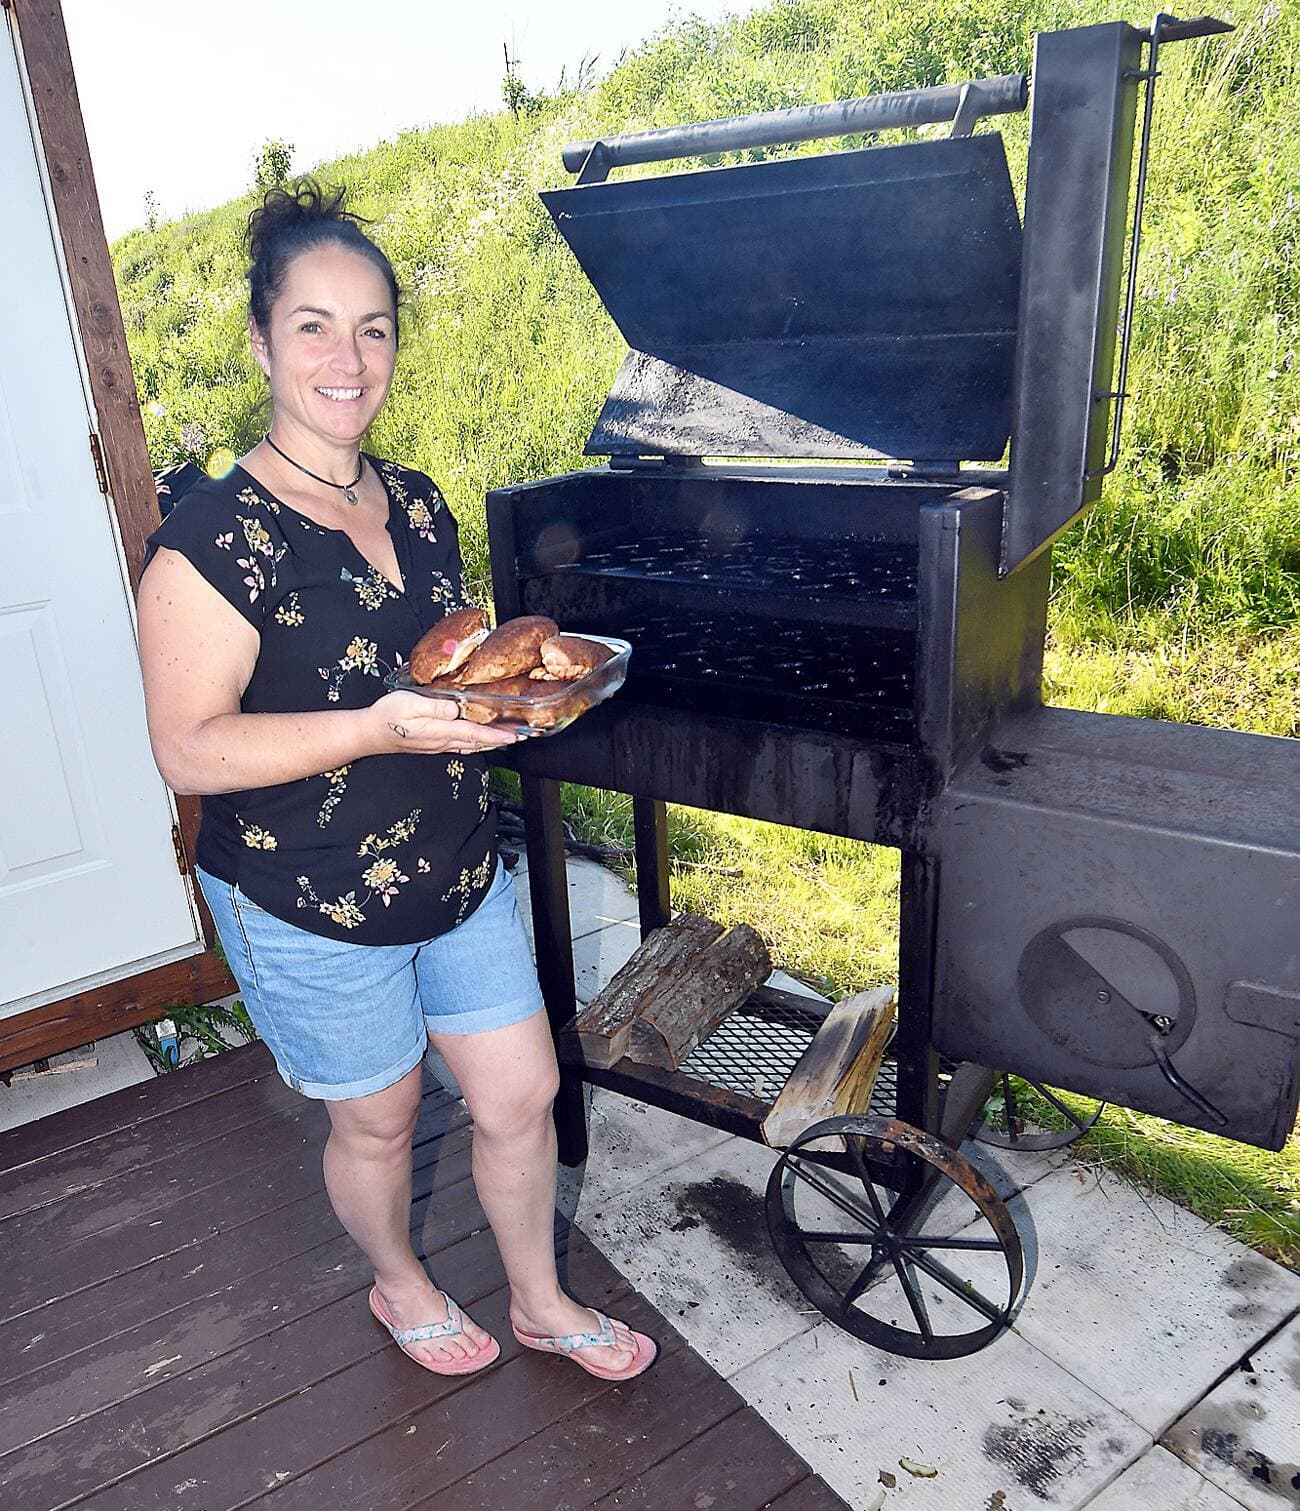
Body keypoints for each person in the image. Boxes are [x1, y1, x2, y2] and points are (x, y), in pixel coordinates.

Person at [137, 179, 655, 1381]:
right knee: (376, 1117)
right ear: (263, 339)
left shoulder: (416, 501)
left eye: (372, 326)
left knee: (519, 1092)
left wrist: (497, 712)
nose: (346, 356)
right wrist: (376, 730)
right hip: (306, 892)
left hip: (454, 862)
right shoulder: (209, 541)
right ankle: (399, 1279)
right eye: (313, 324)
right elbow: (189, 748)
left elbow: (452, 677)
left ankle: (537, 1296)